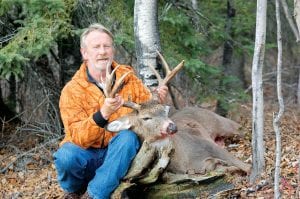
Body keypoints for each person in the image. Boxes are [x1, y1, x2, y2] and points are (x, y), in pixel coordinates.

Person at [53, 23, 168, 199]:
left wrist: (157, 100)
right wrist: (102, 114)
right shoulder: (72, 90)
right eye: (96, 47)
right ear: (85, 53)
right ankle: (74, 192)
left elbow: (147, 111)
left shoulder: (128, 79)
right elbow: (76, 136)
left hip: (120, 155)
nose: (102, 52)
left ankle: (93, 195)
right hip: (88, 158)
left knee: (128, 138)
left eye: (106, 46)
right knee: (66, 155)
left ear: (112, 50)